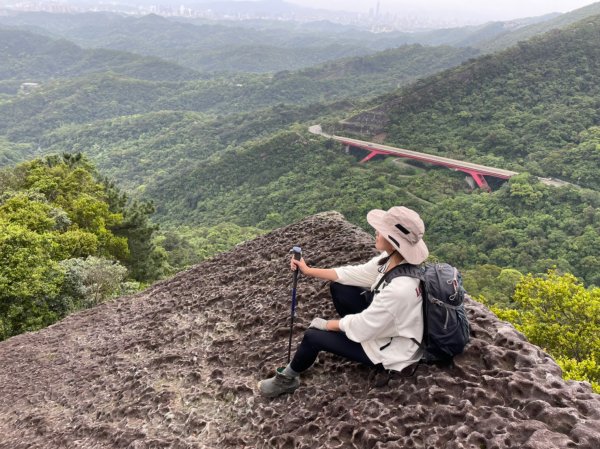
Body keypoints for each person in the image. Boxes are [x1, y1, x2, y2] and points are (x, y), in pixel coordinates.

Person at [258, 206, 429, 398]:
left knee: (313, 336)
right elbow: (352, 274)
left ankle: (287, 379)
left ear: (393, 241)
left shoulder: (400, 289)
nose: (376, 232)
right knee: (340, 287)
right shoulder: (392, 260)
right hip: (386, 326)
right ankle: (344, 338)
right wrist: (308, 270)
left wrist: (328, 325)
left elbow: (364, 326)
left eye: (381, 231)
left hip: (392, 350)